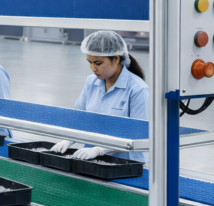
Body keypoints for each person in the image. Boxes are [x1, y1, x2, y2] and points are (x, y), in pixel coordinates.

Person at [51, 31, 149, 162]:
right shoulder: (91, 82)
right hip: (93, 161)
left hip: (127, 163)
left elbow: (138, 134)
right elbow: (80, 118)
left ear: (116, 58)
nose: (93, 68)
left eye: (98, 63)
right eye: (89, 62)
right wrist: (67, 140)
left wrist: (99, 150)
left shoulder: (138, 90)